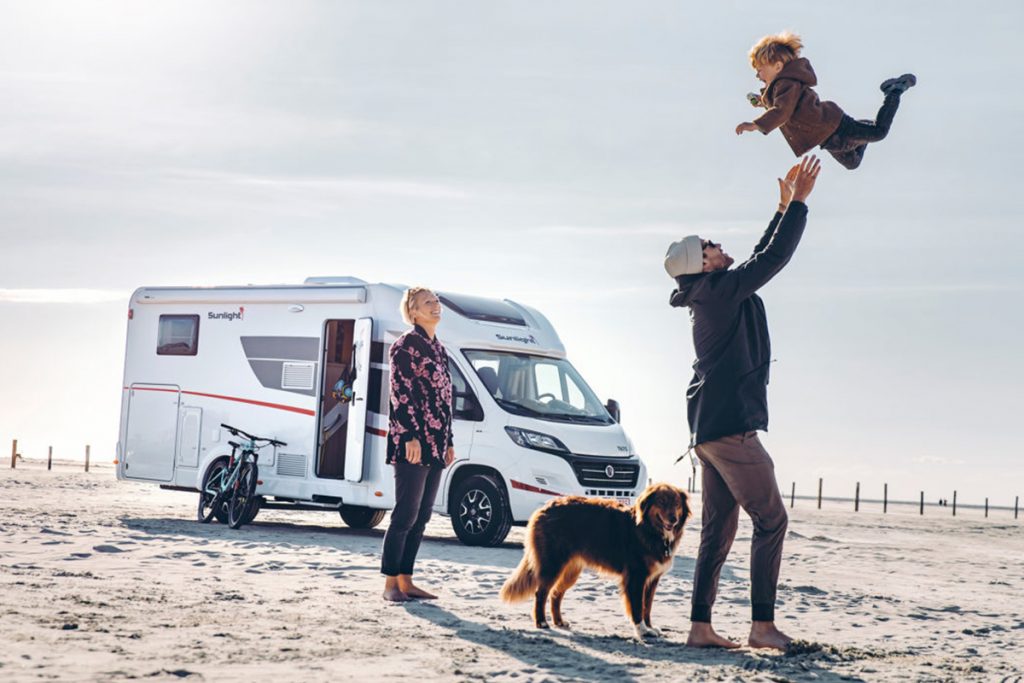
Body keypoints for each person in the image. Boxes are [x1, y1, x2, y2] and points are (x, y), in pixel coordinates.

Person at [663, 155, 821, 650]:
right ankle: (762, 627)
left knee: (719, 531)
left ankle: (700, 628)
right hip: (729, 425)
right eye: (711, 247)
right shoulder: (718, 291)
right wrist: (798, 207)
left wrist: (780, 208)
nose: (719, 247)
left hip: (708, 426)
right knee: (772, 520)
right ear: (702, 263)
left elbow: (756, 256)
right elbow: (771, 261)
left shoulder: (712, 289)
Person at [735, 31, 916, 170]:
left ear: (778, 66)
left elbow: (782, 110)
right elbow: (781, 105)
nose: (757, 75)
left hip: (836, 127)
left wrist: (756, 125)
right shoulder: (780, 88)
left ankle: (894, 91)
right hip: (827, 139)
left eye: (760, 69)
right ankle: (863, 128)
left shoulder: (786, 82)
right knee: (852, 163)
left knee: (879, 132)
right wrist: (761, 102)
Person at [380, 287, 456, 602]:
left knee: (423, 515)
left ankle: (407, 581)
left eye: (437, 301)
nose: (436, 306)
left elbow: (445, 399)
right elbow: (400, 393)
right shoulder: (404, 347)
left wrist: (449, 440)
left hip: (437, 442)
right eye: (429, 302)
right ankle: (389, 585)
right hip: (412, 440)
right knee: (405, 514)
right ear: (413, 312)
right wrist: (410, 434)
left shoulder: (440, 350)